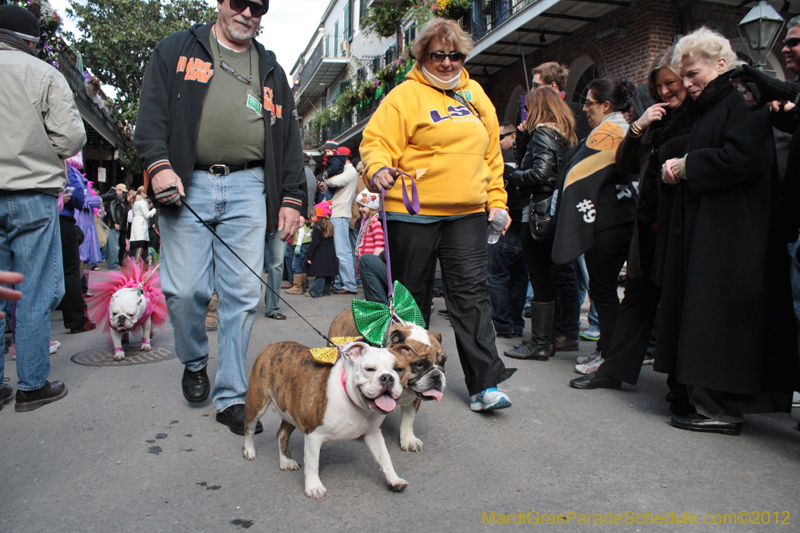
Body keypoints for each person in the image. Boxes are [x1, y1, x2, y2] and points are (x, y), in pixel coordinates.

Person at [133, 0, 305, 435]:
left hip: (249, 187)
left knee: (242, 294)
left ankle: (231, 395)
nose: (248, 12)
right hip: (186, 182)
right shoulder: (175, 49)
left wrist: (291, 197)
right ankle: (193, 362)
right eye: (239, 2)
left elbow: (288, 139)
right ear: (219, 3)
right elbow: (151, 115)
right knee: (185, 290)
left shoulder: (270, 69)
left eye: (259, 6)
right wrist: (158, 164)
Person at [361, 17, 516, 412]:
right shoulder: (404, 95)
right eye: (438, 55)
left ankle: (485, 384)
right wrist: (377, 166)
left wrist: (497, 200)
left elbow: (491, 155)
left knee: (471, 296)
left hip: (466, 212)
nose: (448, 63)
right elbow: (377, 141)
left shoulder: (476, 94)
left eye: (456, 55)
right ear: (423, 55)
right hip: (413, 211)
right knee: (411, 302)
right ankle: (397, 380)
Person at [655, 27, 800, 435]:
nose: (686, 84)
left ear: (721, 65)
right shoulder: (722, 99)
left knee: (718, 319)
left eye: (693, 74)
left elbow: (743, 156)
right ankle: (708, 401)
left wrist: (687, 167)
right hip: (718, 228)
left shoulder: (741, 96)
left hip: (734, 233)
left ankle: (719, 407)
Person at [569, 48, 693, 403]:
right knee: (636, 299)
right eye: (660, 86)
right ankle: (613, 371)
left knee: (675, 304)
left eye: (672, 83)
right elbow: (625, 162)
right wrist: (639, 128)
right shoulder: (654, 122)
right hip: (649, 227)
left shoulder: (697, 118)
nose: (667, 91)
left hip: (679, 227)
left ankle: (682, 385)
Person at [0, 4, 85, 412]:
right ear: (31, 41)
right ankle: (31, 385)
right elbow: (70, 140)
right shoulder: (43, 74)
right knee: (31, 292)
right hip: (30, 192)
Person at [551, 78, 638, 373]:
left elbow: (576, 173)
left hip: (609, 224)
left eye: (589, 103)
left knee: (603, 292)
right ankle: (606, 351)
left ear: (606, 105)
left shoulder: (611, 132)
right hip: (619, 220)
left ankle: (609, 356)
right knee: (605, 291)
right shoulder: (620, 129)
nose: (585, 108)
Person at [504, 87, 577, 360]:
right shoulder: (561, 133)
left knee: (541, 277)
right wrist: (523, 136)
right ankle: (545, 340)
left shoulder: (544, 132)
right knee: (549, 276)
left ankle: (540, 342)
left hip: (536, 213)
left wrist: (512, 175)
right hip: (551, 211)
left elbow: (539, 172)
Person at [487, 122, 528, 339]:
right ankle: (516, 323)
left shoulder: (502, 162)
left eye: (500, 136)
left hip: (504, 224)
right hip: (524, 224)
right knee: (518, 278)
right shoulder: (525, 157)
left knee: (497, 277)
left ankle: (503, 324)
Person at [59, 156, 96, 334]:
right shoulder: (68, 168)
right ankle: (76, 319)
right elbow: (78, 198)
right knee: (70, 269)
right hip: (62, 220)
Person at [319, 147, 358, 295]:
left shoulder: (350, 171)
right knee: (338, 251)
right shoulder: (346, 170)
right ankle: (341, 283)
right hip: (336, 214)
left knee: (342, 252)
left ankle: (349, 284)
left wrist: (326, 179)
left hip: (340, 214)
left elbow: (334, 182)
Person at [354, 188, 387, 305]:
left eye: (363, 206)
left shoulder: (375, 222)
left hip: (372, 257)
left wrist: (373, 259)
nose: (360, 209)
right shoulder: (367, 221)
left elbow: (379, 244)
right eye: (359, 206)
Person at [304, 203, 337, 298]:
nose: (313, 217)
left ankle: (315, 291)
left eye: (314, 215)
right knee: (328, 273)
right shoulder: (329, 225)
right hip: (329, 253)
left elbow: (314, 243)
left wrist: (309, 254)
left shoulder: (316, 227)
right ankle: (326, 291)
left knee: (321, 274)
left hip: (320, 254)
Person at [100, 183, 128, 270]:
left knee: (115, 245)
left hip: (114, 224)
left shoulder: (116, 198)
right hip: (112, 225)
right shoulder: (114, 198)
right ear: (118, 190)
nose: (123, 194)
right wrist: (115, 222)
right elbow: (112, 209)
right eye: (122, 192)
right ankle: (113, 264)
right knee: (114, 246)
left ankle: (113, 263)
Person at [129, 187, 155, 262]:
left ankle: (139, 263)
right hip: (141, 224)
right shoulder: (142, 202)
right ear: (142, 193)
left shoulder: (135, 201)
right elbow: (146, 215)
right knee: (142, 244)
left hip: (136, 223)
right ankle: (138, 263)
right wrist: (154, 210)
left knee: (142, 244)